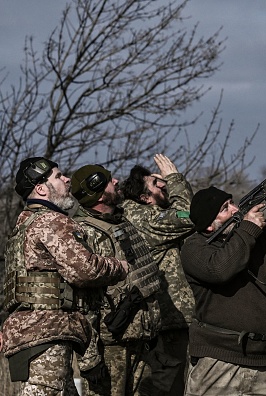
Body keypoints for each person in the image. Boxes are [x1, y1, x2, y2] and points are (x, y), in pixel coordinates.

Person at [1, 157, 129, 395]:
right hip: (47, 332)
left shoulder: (23, 226)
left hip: (33, 334)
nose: (67, 179)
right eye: (58, 177)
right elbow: (85, 270)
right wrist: (119, 267)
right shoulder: (51, 221)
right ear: (41, 188)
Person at [180, 160, 266, 396]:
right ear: (210, 225)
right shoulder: (194, 248)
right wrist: (249, 229)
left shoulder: (253, 236)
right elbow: (220, 270)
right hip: (218, 361)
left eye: (231, 203)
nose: (235, 209)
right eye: (225, 208)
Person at [70, 164, 163, 395]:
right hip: (110, 348)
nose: (117, 182)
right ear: (100, 194)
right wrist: (89, 358)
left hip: (139, 341)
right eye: (110, 181)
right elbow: (81, 302)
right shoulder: (86, 232)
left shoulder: (119, 222)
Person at [120, 154, 195, 395]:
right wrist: (174, 177)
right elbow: (189, 215)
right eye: (156, 183)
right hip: (164, 320)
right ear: (145, 198)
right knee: (165, 387)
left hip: (164, 320)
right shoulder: (146, 218)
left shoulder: (145, 214)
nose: (162, 184)